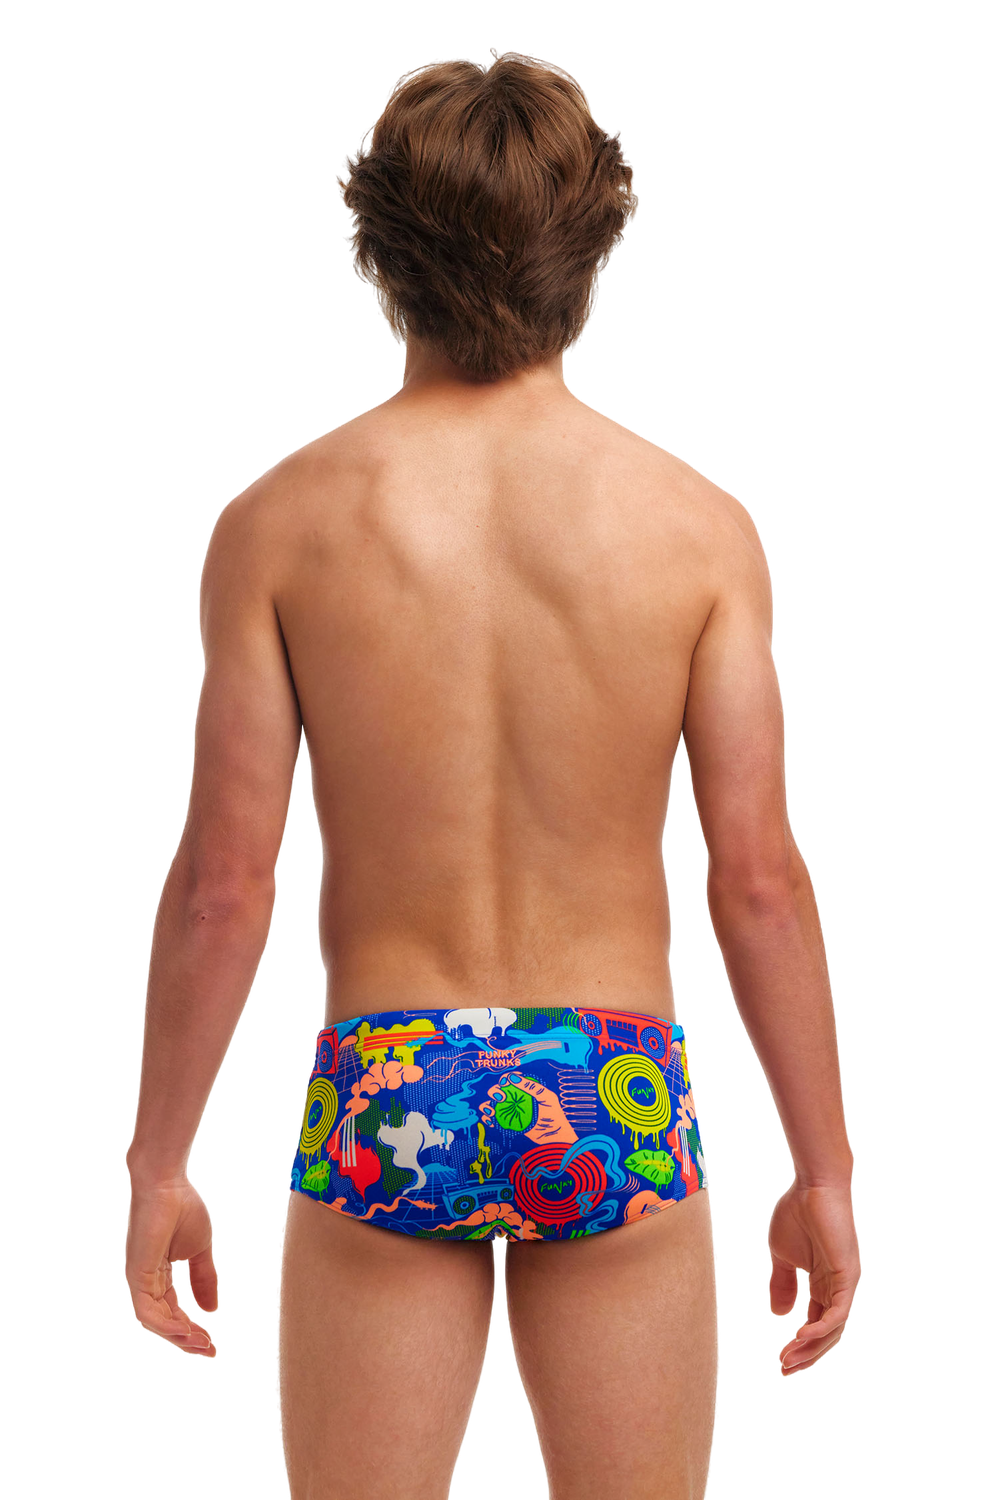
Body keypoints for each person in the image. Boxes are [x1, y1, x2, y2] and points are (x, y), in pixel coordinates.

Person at [123, 49, 861, 1500]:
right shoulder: (698, 526)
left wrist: (157, 1163)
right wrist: (823, 1172)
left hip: (391, 1079)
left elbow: (223, 885)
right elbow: (758, 882)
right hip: (613, 1084)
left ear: (380, 247)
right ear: (593, 246)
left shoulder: (279, 523)